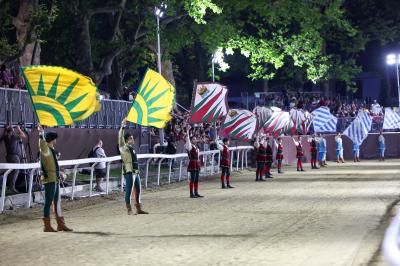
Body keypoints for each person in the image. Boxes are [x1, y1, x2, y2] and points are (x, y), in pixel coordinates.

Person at [37, 126, 72, 232]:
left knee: (57, 202)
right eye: (55, 138)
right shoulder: (46, 149)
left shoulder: (51, 150)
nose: (56, 140)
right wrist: (41, 132)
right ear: (52, 139)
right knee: (48, 202)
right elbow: (41, 143)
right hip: (50, 179)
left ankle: (60, 224)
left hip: (54, 178)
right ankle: (46, 226)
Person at [119, 118, 148, 215]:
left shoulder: (131, 148)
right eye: (131, 138)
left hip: (135, 171)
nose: (132, 139)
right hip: (129, 171)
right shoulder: (123, 147)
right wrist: (122, 126)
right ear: (127, 140)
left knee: (138, 189)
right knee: (129, 190)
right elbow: (120, 138)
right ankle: (129, 209)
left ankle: (138, 208)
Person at [0, 124, 26, 193]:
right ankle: (11, 187)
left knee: (11, 171)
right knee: (15, 171)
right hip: (14, 157)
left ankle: (8, 186)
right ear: (12, 130)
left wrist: (6, 130)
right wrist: (19, 129)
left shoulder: (5, 137)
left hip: (9, 156)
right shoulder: (13, 136)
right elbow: (23, 135)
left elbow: (1, 138)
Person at [185, 125, 203, 198]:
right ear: (192, 140)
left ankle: (196, 192)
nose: (195, 140)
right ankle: (191, 194)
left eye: (195, 139)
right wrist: (188, 131)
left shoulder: (196, 147)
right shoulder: (189, 146)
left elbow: (198, 156)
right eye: (194, 139)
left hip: (196, 163)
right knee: (192, 179)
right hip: (192, 163)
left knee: (196, 179)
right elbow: (187, 139)